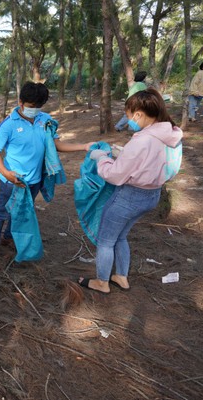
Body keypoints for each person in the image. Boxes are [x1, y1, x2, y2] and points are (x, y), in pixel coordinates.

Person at [78, 89, 182, 293]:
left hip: (129, 197)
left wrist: (102, 158)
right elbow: (163, 164)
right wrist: (123, 155)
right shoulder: (172, 135)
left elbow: (115, 175)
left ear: (138, 114)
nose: (128, 121)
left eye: (128, 116)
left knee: (105, 240)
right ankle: (121, 277)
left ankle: (101, 282)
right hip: (152, 195)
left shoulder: (142, 140)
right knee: (121, 236)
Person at [0, 82, 92, 258]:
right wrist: (5, 172)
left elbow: (56, 144)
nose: (35, 109)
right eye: (31, 106)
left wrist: (84, 146)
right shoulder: (8, 124)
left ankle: (8, 237)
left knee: (23, 209)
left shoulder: (45, 120)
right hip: (13, 180)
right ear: (21, 102)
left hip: (34, 180)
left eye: (39, 106)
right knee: (2, 210)